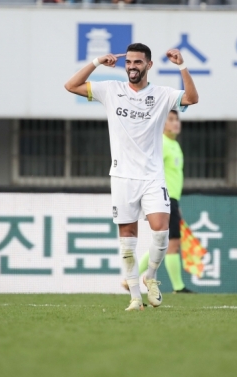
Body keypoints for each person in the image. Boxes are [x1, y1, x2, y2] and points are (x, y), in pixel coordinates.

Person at [64, 43, 199, 311]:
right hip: (122, 177)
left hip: (152, 178)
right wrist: (97, 62)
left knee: (161, 233)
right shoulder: (111, 89)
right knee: (128, 241)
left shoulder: (161, 94)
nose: (132, 67)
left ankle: (151, 276)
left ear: (148, 65)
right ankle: (135, 297)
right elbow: (71, 86)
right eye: (129, 63)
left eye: (138, 63)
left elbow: (192, 99)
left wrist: (182, 66)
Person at [130, 110, 193, 294]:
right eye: (170, 119)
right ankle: (178, 287)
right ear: (162, 124)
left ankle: (132, 277)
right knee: (172, 243)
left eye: (177, 119)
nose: (175, 123)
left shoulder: (174, 145)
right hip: (164, 197)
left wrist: (176, 205)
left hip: (173, 200)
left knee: (164, 244)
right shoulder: (162, 144)